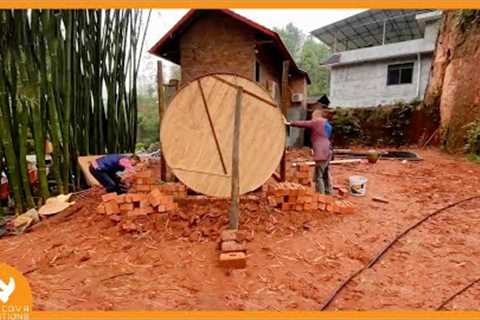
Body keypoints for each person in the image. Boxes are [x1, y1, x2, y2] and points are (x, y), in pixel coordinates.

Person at [287, 109, 333, 194]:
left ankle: (321, 195)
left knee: (319, 176)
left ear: (316, 115)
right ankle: (329, 192)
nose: (312, 118)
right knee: (326, 173)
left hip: (321, 152)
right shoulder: (327, 124)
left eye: (313, 116)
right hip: (328, 150)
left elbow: (304, 124)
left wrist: (290, 123)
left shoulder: (317, 122)